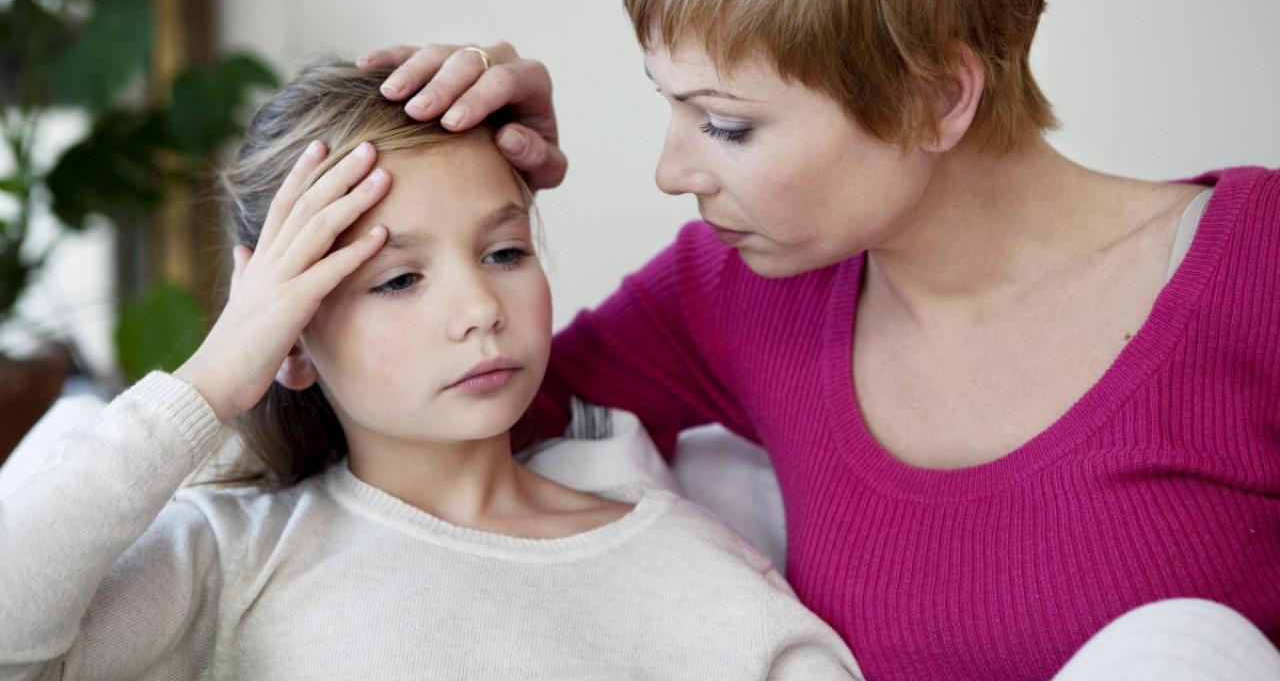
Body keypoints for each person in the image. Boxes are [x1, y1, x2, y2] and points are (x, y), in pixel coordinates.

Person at [356, 0, 1280, 679]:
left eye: (725, 123)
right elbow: (396, 432)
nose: (672, 170)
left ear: (937, 98)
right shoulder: (740, 294)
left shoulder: (1259, 268)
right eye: (669, 105)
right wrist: (462, 184)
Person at [0, 59, 864, 680]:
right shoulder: (229, 558)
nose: (479, 309)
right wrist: (219, 374)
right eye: (401, 279)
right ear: (290, 335)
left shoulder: (688, 569)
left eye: (504, 251)